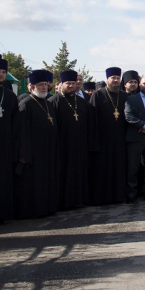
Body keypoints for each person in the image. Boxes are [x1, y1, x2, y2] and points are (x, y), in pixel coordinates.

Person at [48, 69, 97, 210]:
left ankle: (78, 200)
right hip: (62, 145)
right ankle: (62, 202)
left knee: (78, 172)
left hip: (80, 144)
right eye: (67, 83)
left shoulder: (82, 102)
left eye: (73, 83)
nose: (71, 86)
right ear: (61, 84)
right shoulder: (53, 101)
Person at [14, 70, 59, 219]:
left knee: (47, 180)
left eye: (46, 85)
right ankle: (33, 211)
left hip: (48, 150)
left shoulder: (48, 102)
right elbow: (22, 132)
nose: (44, 88)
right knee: (33, 183)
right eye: (40, 85)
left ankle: (47, 208)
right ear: (32, 87)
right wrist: (23, 153)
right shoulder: (25, 104)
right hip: (33, 152)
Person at [88, 67, 129, 205]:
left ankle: (118, 196)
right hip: (103, 139)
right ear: (107, 80)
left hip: (120, 139)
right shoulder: (98, 95)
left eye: (118, 78)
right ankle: (102, 198)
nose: (116, 81)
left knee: (119, 168)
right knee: (103, 169)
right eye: (113, 78)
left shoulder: (124, 96)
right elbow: (92, 119)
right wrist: (94, 141)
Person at [0, 55, 18, 223]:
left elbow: (15, 122)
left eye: (3, 72)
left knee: (2, 181)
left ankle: (2, 215)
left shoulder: (9, 96)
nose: (1, 75)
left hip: (5, 146)